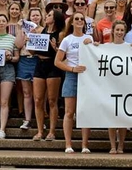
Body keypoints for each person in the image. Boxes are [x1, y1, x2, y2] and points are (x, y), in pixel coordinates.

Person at [56, 12, 93, 153]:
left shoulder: (88, 37)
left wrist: (94, 44)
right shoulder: (67, 40)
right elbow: (57, 61)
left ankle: (84, 145)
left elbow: (96, 53)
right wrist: (72, 68)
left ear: (84, 22)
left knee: (84, 112)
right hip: (71, 76)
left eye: (81, 19)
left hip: (86, 77)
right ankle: (68, 144)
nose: (79, 21)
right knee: (69, 112)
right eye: (76, 19)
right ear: (71, 22)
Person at [32, 10, 64, 142]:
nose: (46, 17)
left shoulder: (61, 34)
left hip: (53, 65)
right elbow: (32, 51)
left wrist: (56, 47)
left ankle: (51, 131)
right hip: (39, 63)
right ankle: (40, 131)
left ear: (55, 18)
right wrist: (30, 41)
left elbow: (63, 55)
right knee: (38, 100)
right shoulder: (40, 31)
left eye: (49, 15)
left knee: (52, 100)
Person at [103, 20, 129, 154]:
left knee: (122, 117)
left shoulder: (130, 47)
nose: (119, 32)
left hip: (124, 87)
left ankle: (121, 145)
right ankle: (113, 145)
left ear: (125, 32)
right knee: (111, 117)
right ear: (113, 31)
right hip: (110, 86)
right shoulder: (105, 47)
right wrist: (91, 46)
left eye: (121, 30)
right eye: (117, 30)